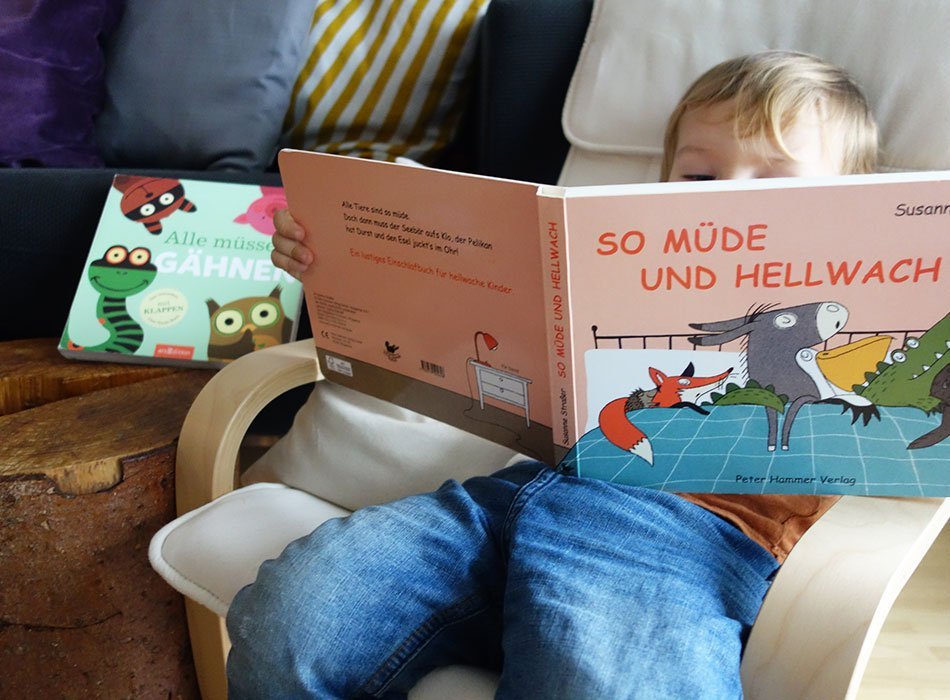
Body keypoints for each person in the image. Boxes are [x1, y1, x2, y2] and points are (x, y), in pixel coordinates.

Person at [227, 51, 879, 698]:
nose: (726, 200)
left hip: (678, 538)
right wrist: (337, 260)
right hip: (513, 500)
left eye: (774, 184)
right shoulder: (616, 262)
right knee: (294, 617)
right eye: (700, 176)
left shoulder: (850, 316)